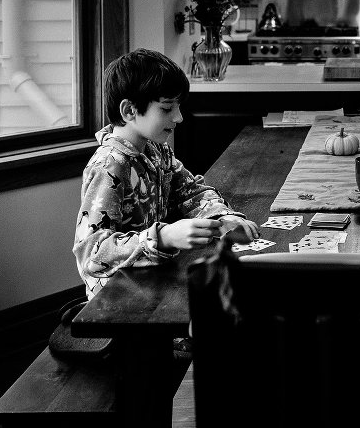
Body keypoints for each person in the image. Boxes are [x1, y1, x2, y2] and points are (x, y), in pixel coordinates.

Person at [73, 49, 259, 299]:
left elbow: (190, 192)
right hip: (117, 297)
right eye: (167, 108)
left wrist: (222, 216)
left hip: (154, 279)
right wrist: (163, 237)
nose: (179, 117)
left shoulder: (157, 150)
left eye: (178, 106)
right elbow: (92, 254)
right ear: (129, 111)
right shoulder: (109, 166)